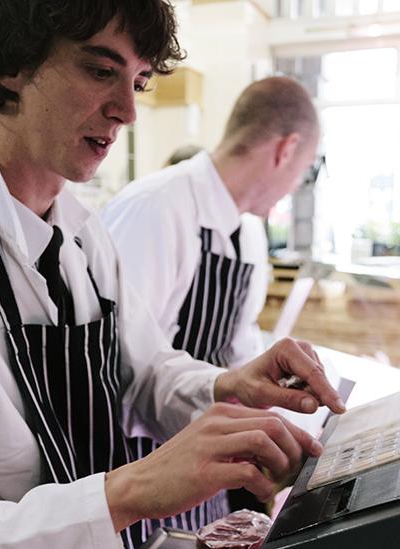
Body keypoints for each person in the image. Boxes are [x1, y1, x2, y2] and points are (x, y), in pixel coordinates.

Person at [0, 2, 343, 548]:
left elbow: (142, 373)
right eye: (100, 71)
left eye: (138, 81)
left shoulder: (82, 235)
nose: (126, 111)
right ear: (13, 66)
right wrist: (127, 492)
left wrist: (228, 385)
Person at [102, 77, 321, 522]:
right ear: (285, 150)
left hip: (210, 472)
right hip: (137, 474)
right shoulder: (155, 209)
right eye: (305, 170)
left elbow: (238, 351)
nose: (295, 184)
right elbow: (119, 373)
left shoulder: (250, 233)